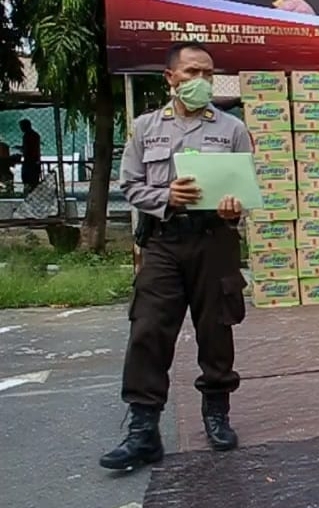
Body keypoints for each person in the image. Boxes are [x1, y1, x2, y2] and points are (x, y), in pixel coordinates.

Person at [99, 41, 252, 471]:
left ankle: (217, 414)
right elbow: (129, 185)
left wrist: (233, 204)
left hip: (214, 240)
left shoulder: (231, 128)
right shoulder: (146, 127)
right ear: (170, 78)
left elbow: (244, 187)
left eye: (207, 73)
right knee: (148, 328)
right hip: (163, 240)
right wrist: (166, 196)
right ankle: (143, 430)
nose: (200, 81)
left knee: (217, 329)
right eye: (190, 73)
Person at [19, 119, 41, 192]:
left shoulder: (26, 136)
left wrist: (22, 150)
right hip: (35, 161)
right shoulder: (35, 135)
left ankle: (27, 192)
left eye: (21, 126)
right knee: (34, 181)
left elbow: (27, 149)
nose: (21, 128)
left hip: (29, 161)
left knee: (27, 179)